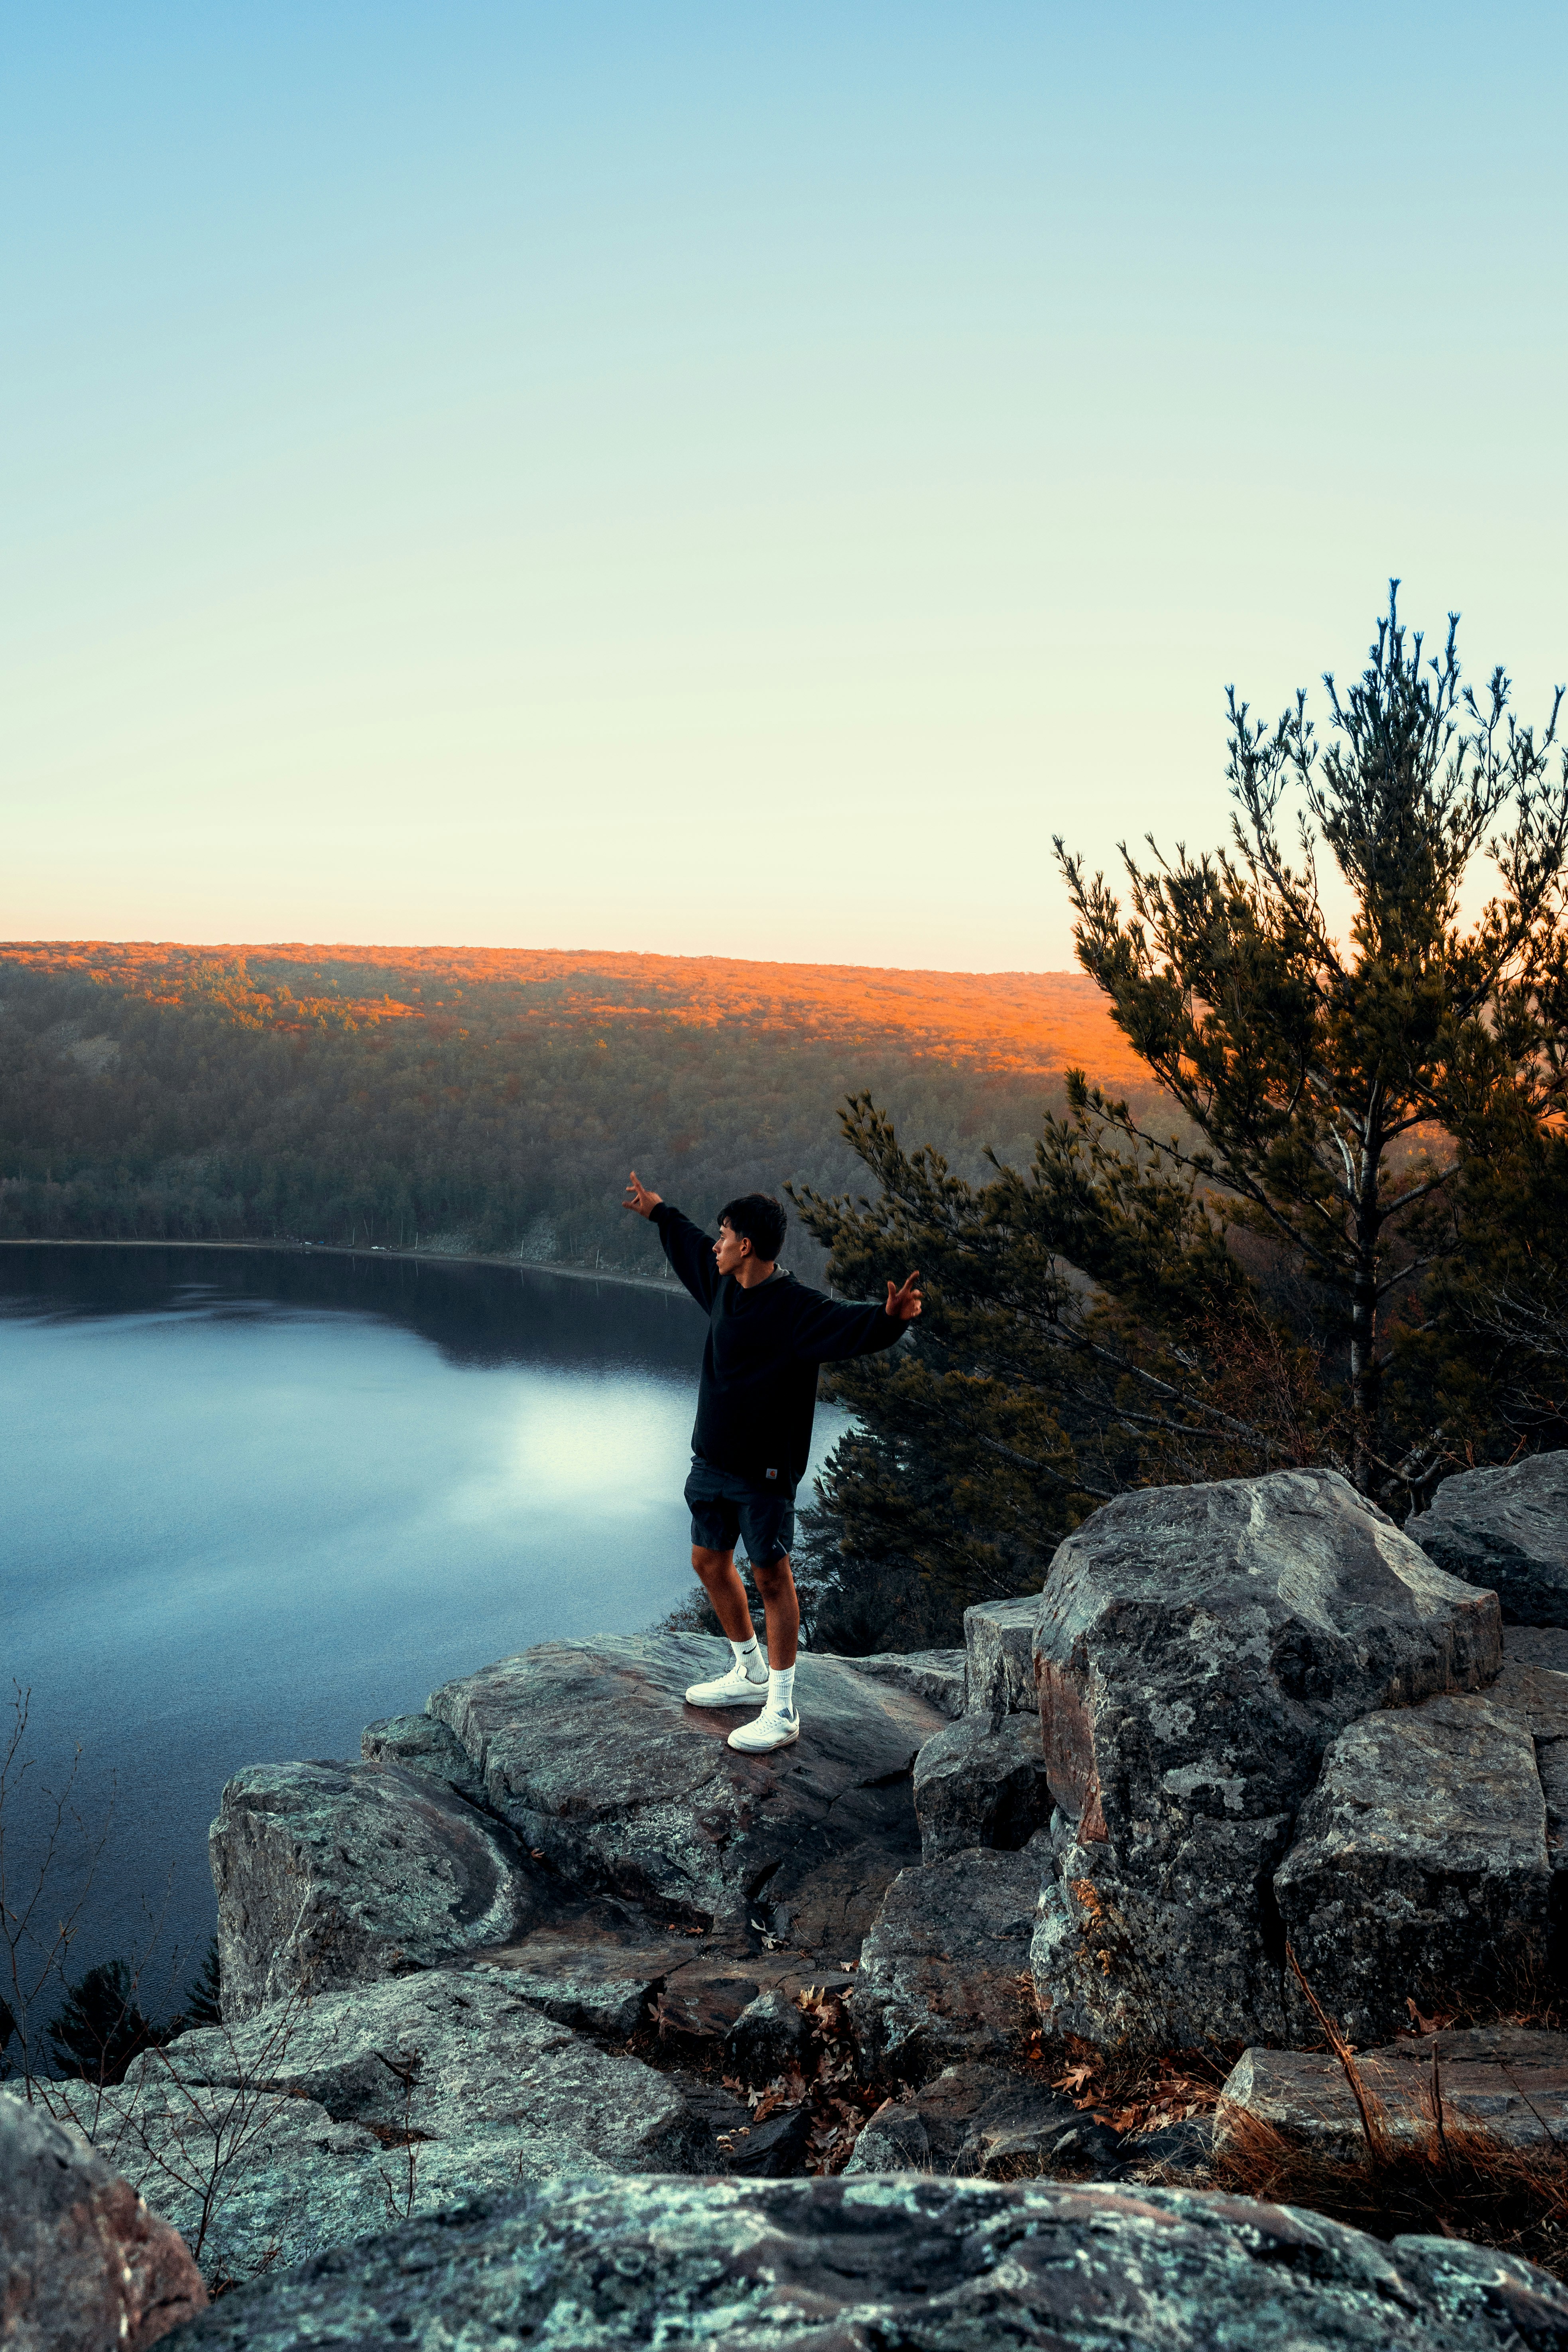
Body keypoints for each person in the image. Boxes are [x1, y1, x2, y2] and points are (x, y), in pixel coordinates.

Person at [624, 1170, 921, 1753]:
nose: (716, 1243)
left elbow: (849, 1325)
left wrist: (889, 1319)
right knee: (709, 1562)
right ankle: (748, 1670)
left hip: (763, 1474)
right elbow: (687, 1240)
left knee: (771, 1577)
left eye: (725, 1235)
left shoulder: (794, 1309)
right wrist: (658, 1210)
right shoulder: (720, 1286)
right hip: (710, 1461)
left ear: (747, 1246)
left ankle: (781, 1708)